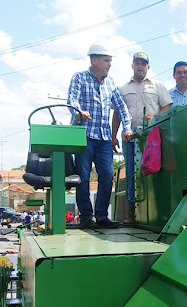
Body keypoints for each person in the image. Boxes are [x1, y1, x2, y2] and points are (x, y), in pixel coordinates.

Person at [68, 41, 134, 229]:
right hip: (84, 136)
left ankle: (102, 216)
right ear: (94, 60)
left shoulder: (111, 83)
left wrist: (127, 128)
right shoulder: (79, 78)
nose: (109, 64)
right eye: (106, 60)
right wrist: (79, 112)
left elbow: (121, 108)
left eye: (110, 61)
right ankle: (87, 217)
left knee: (107, 175)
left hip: (104, 139)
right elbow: (71, 100)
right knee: (83, 176)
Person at [112, 51, 172, 225]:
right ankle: (132, 212)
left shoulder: (157, 86)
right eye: (137, 63)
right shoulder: (123, 89)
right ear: (132, 66)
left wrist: (154, 119)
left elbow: (167, 106)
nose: (140, 66)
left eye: (143, 64)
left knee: (154, 172)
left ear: (148, 67)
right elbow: (116, 113)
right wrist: (113, 136)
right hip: (130, 137)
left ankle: (158, 213)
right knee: (131, 173)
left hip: (152, 138)